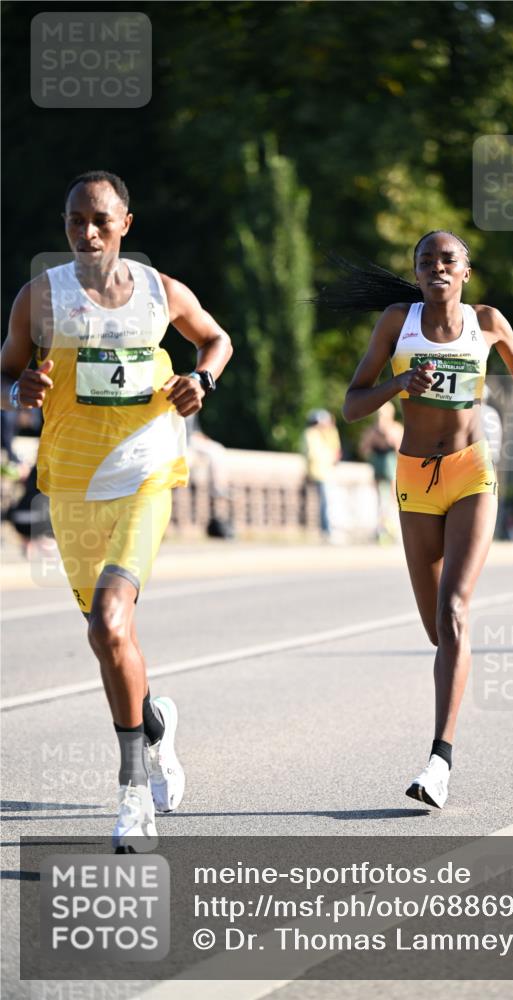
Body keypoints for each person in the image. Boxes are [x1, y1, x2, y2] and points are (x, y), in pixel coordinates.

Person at [0, 171, 233, 849]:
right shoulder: (41, 298)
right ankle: (156, 725)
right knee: (110, 640)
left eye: (100, 220)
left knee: (109, 618)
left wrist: (201, 379)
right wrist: (24, 386)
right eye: (76, 221)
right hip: (70, 485)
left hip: (145, 473)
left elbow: (214, 339)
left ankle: (133, 795)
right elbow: (8, 370)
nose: (87, 233)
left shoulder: (160, 293)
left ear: (125, 224)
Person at [324, 230, 513, 808]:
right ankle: (456, 661)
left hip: (471, 471)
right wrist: (399, 382)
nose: (437, 268)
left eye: (448, 260)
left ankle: (439, 761)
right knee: (438, 632)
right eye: (426, 261)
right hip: (415, 478)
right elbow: (351, 403)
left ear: (466, 271)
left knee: (454, 610)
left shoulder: (487, 320)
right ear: (417, 272)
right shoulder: (399, 322)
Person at [359, 401, 403, 542]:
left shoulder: (396, 429)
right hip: (378, 468)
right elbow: (363, 450)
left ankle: (395, 527)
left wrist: (390, 439)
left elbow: (401, 452)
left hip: (392, 468)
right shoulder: (371, 431)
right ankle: (380, 528)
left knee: (394, 497)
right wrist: (373, 442)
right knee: (378, 499)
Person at [302, 409, 342, 540]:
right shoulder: (311, 434)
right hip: (319, 472)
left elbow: (336, 449)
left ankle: (328, 529)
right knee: (326, 502)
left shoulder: (329, 433)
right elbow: (313, 454)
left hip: (328, 472)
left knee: (329, 501)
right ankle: (327, 530)